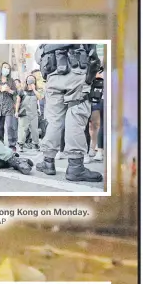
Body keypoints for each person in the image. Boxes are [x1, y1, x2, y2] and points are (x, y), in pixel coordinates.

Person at [35, 43, 103, 182]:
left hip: (52, 73)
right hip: (76, 70)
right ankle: (75, 167)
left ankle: (48, 162)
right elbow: (92, 51)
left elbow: (39, 53)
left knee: (54, 120)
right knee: (76, 115)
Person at [0, 62, 18, 150]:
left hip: (8, 107)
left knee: (10, 126)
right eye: (4, 67)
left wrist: (9, 90)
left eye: (7, 68)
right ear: (1, 68)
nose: (6, 69)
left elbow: (16, 93)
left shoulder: (11, 80)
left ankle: (12, 145)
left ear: (9, 70)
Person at [15, 74, 42, 151]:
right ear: (26, 81)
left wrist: (34, 89)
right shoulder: (22, 91)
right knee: (22, 130)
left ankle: (36, 144)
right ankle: (21, 145)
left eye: (32, 79)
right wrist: (16, 112)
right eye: (29, 79)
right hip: (24, 114)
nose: (30, 80)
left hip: (34, 114)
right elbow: (18, 102)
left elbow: (40, 98)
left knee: (35, 130)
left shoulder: (36, 91)